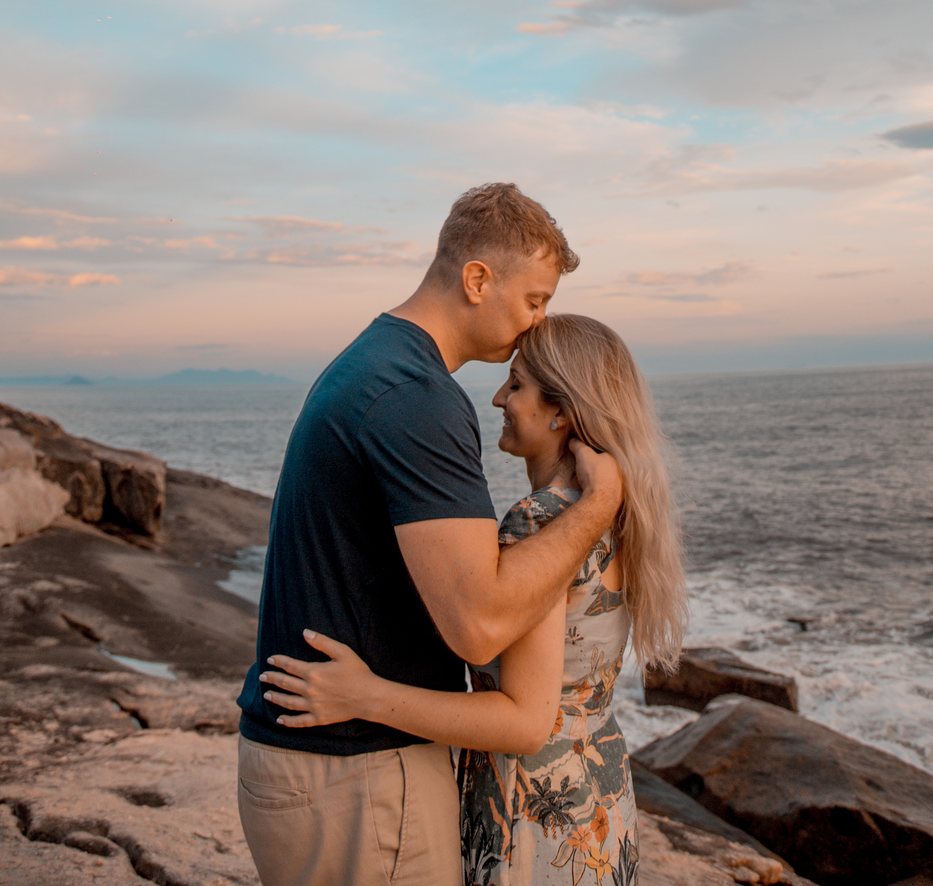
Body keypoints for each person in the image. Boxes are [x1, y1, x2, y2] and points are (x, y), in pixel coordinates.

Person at [237, 185, 625, 886]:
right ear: (477, 279)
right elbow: (479, 625)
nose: (538, 322)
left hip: (331, 763)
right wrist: (598, 507)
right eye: (534, 299)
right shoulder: (415, 395)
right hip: (355, 771)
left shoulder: (376, 363)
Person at [261, 313, 689, 886]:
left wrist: (363, 696)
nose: (496, 399)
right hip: (601, 803)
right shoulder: (615, 518)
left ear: (561, 411)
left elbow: (521, 724)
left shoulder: (540, 527)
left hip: (535, 815)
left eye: (515, 385)